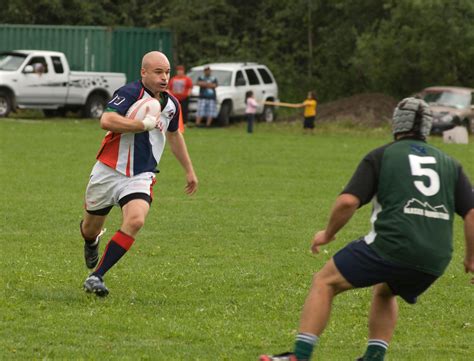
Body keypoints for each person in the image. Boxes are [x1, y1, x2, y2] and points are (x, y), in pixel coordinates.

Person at [260, 97, 474, 361]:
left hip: (392, 246)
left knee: (324, 281)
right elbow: (472, 212)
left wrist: (327, 234)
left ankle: (299, 356)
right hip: (436, 258)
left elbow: (348, 202)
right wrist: (471, 257)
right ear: (427, 129)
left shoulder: (383, 155)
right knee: (386, 289)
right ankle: (374, 357)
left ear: (397, 123)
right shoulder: (451, 164)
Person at [80, 51, 198, 297]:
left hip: (140, 175)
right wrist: (141, 125)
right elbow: (107, 119)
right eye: (158, 72)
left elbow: (174, 136)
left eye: (166, 72)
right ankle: (92, 242)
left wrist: (189, 170)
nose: (164, 77)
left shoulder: (172, 105)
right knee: (90, 228)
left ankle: (96, 276)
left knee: (136, 220)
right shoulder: (129, 94)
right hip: (108, 171)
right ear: (143, 72)